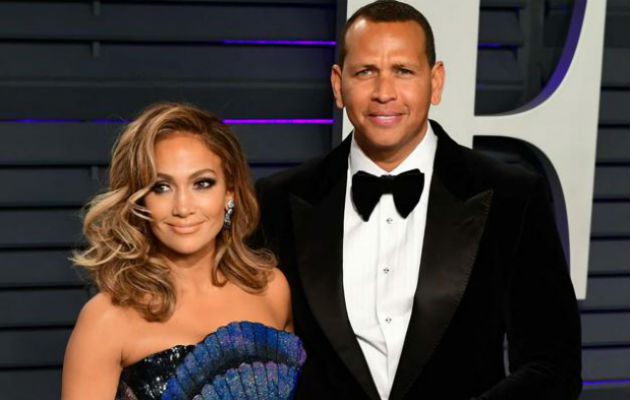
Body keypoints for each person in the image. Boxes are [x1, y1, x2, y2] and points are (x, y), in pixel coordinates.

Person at [254, 1, 581, 399]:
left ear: (436, 81)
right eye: (365, 72)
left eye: (403, 71)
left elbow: (554, 366)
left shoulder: (513, 196)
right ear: (339, 85)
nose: (384, 93)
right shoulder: (277, 200)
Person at [62, 103, 306, 400]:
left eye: (202, 184)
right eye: (161, 187)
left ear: (230, 193)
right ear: (140, 201)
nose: (183, 208)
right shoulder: (107, 320)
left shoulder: (271, 289)